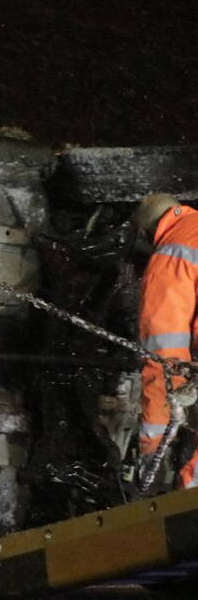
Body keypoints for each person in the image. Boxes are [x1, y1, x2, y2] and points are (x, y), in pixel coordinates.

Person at [134, 193, 198, 490]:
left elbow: (165, 361)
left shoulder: (171, 252)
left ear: (147, 233)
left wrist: (151, 449)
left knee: (187, 501)